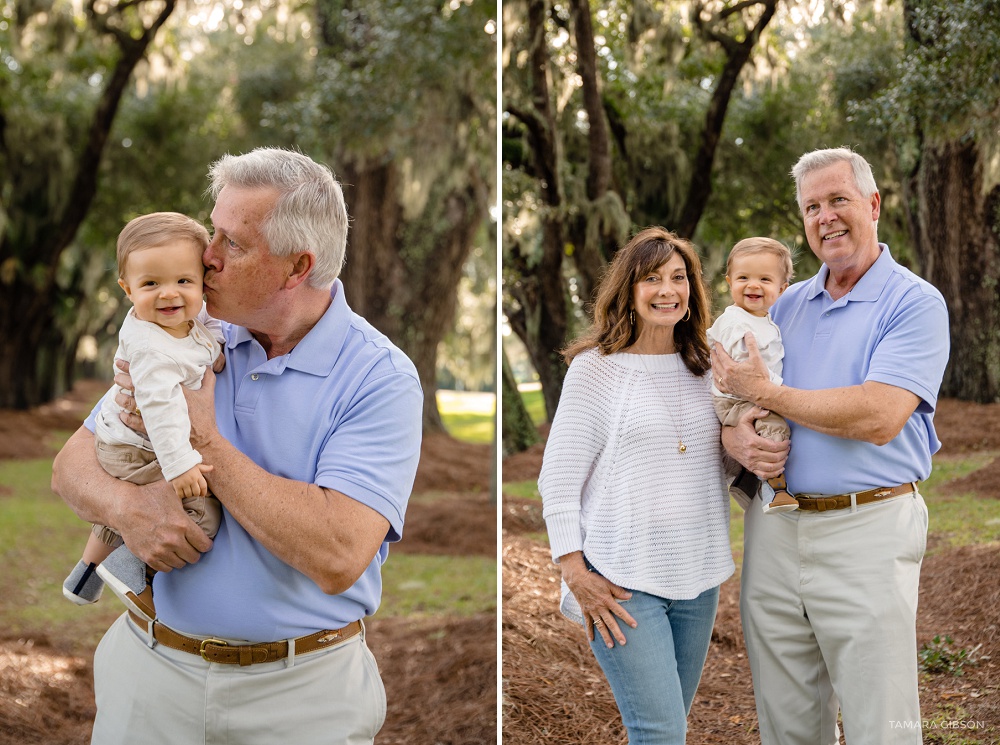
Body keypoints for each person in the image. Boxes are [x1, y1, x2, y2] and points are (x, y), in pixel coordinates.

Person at [51, 148, 423, 745]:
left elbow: (338, 553)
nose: (207, 257)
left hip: (301, 699)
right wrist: (128, 510)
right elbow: (71, 466)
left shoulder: (380, 378)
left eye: (233, 244)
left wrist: (203, 441)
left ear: (296, 267)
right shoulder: (183, 330)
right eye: (211, 232)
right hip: (149, 676)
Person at [712, 147, 950, 745]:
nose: (826, 217)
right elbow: (733, 399)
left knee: (881, 722)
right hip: (774, 530)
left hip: (867, 525)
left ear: (872, 204)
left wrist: (767, 392)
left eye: (838, 200)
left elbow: (879, 414)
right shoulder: (782, 305)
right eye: (812, 207)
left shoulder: (914, 302)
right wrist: (734, 436)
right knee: (785, 721)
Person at [538, 227, 736, 744]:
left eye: (679, 277)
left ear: (693, 288)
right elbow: (557, 482)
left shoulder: (710, 368)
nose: (667, 289)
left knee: (670, 728)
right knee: (661, 732)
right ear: (628, 289)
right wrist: (573, 572)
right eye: (652, 278)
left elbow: (722, 466)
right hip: (622, 581)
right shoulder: (595, 371)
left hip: (698, 577)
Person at [62, 212, 225, 622]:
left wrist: (215, 345)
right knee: (202, 513)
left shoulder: (177, 323)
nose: (169, 294)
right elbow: (161, 410)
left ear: (203, 283)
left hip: (121, 443)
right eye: (151, 284)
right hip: (141, 448)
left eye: (183, 281)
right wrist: (180, 465)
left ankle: (84, 575)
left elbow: (202, 330)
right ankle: (129, 567)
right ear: (127, 288)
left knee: (119, 513)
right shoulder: (153, 351)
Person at [706, 237, 798, 513]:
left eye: (765, 280)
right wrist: (779, 389)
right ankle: (774, 491)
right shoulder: (736, 322)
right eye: (743, 277)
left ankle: (749, 485)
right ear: (729, 281)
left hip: (752, 394)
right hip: (735, 399)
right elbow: (744, 370)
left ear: (782, 289)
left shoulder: (764, 320)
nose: (753, 285)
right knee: (773, 430)